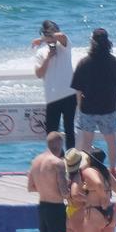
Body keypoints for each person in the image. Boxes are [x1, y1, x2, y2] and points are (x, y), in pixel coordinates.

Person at [71, 28, 116, 173]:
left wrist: (79, 106)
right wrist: (115, 105)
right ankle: (113, 169)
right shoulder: (115, 62)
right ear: (108, 42)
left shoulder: (84, 62)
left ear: (92, 42)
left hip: (88, 108)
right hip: (108, 107)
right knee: (111, 141)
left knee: (87, 142)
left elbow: (78, 89)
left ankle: (85, 170)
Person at [33, 20, 78, 149]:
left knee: (70, 130)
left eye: (52, 33)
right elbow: (39, 74)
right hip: (52, 97)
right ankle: (56, 159)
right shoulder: (41, 52)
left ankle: (71, 161)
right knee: (51, 132)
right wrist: (48, 57)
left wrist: (42, 38)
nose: (51, 37)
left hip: (69, 94)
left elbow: (62, 36)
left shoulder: (64, 45)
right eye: (48, 34)